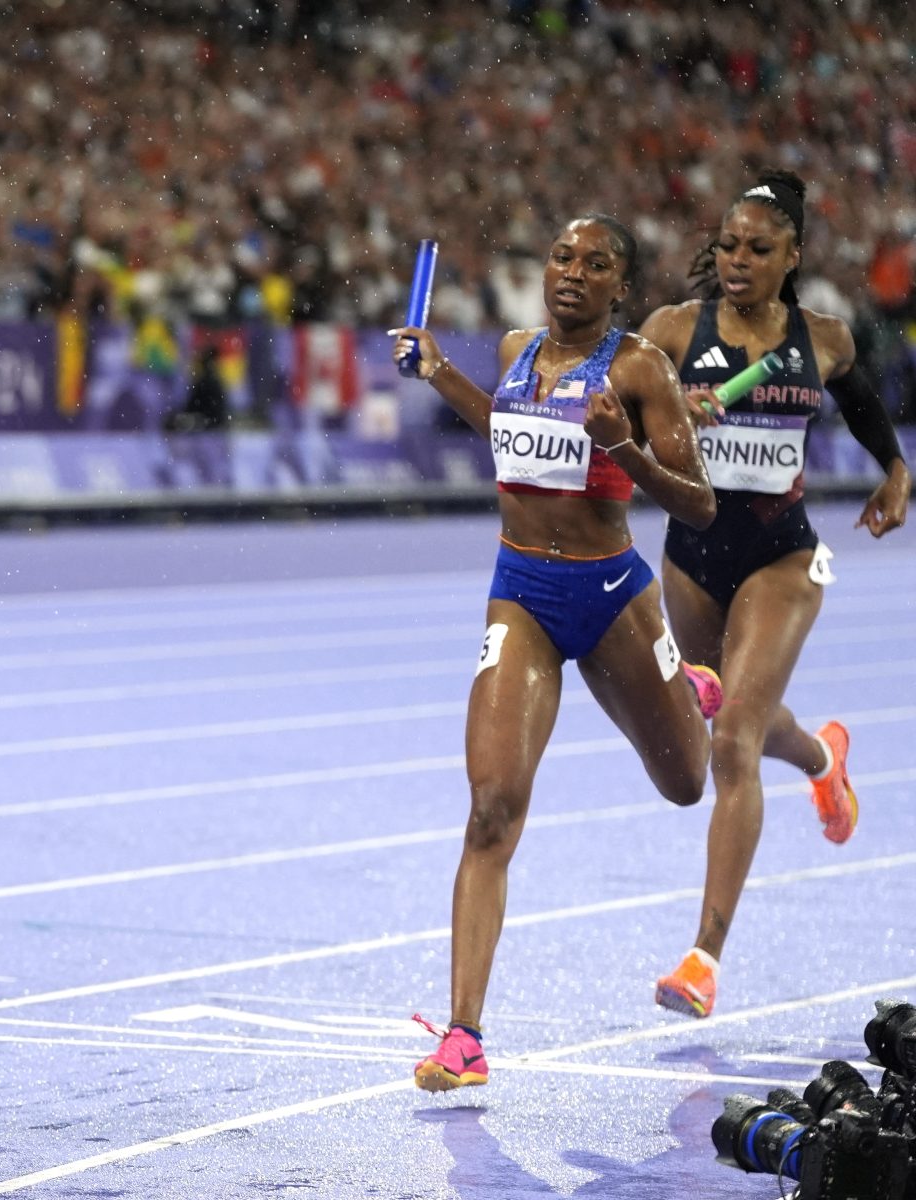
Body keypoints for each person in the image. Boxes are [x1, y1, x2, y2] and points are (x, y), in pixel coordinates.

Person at [389, 215, 723, 1093]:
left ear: (622, 287)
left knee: (687, 783)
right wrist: (438, 371)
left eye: (597, 264)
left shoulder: (640, 368)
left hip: (613, 598)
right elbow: (505, 424)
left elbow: (700, 507)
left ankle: (686, 685)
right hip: (522, 594)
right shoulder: (512, 349)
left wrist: (624, 448)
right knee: (491, 809)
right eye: (563, 257)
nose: (573, 273)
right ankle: (464, 1037)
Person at [638, 170, 909, 1020]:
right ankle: (825, 759)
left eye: (759, 249)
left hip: (781, 557)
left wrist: (897, 471)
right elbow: (620, 426)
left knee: (734, 742)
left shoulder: (822, 338)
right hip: (691, 556)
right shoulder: (672, 332)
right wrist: (672, 419)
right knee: (733, 721)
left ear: (792, 255)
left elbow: (866, 410)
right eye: (727, 246)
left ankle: (702, 960)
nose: (739, 260)